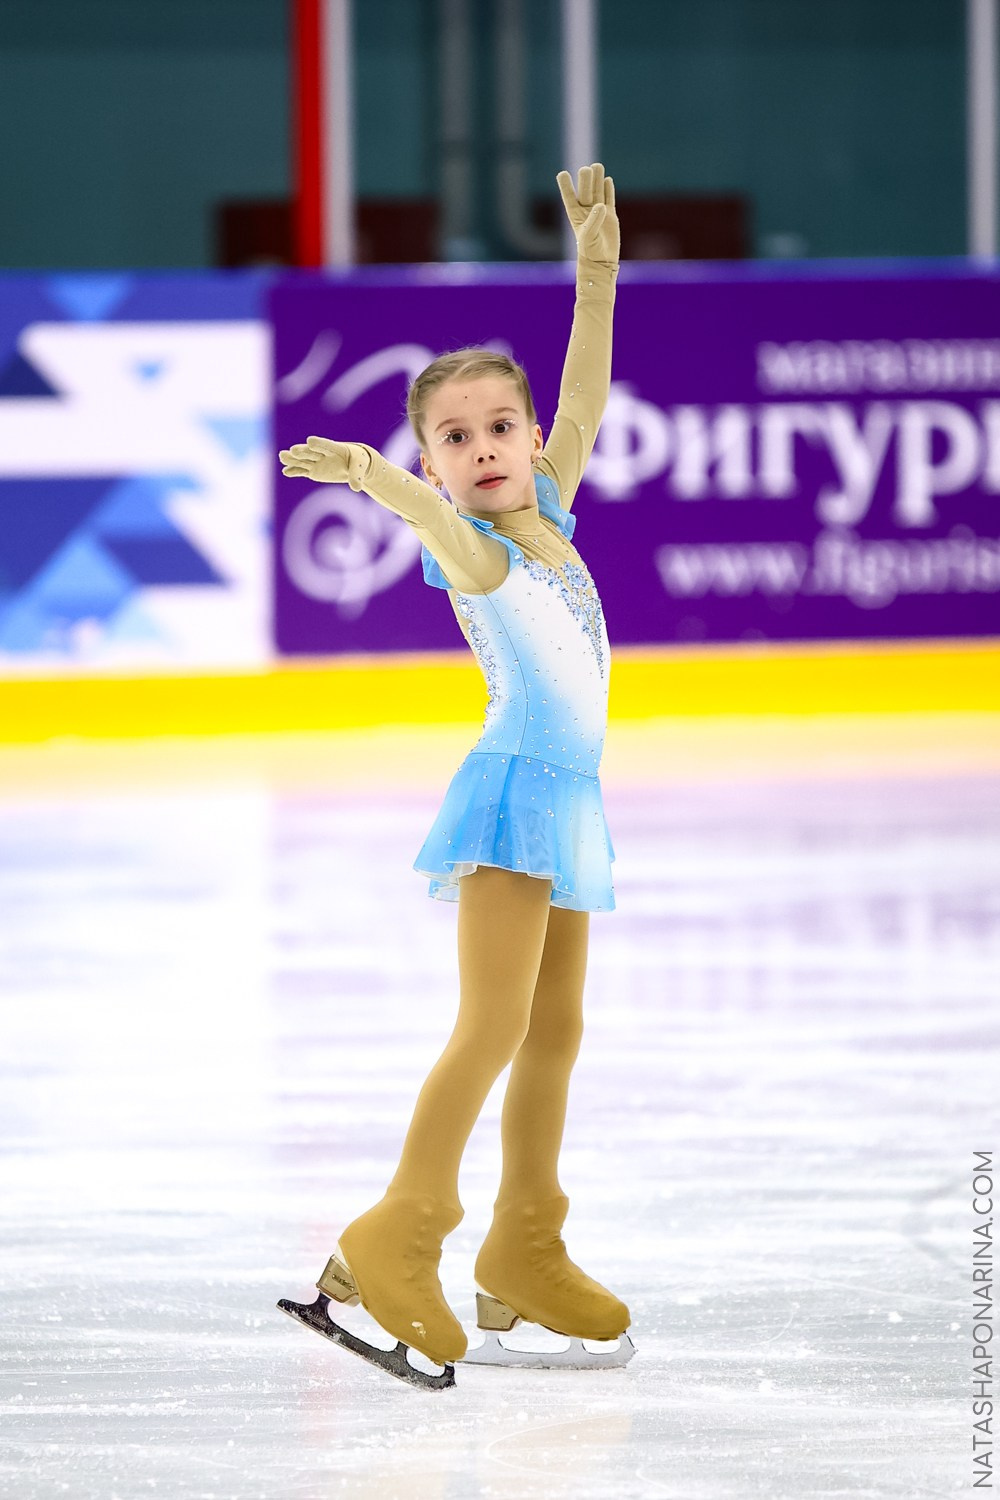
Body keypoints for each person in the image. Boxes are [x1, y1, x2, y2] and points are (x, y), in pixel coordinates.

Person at [278, 164, 630, 1389]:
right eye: (451, 436)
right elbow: (429, 518)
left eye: (497, 429)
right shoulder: (475, 548)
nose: (480, 451)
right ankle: (397, 1231)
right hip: (513, 796)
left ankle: (524, 1243)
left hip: (571, 802)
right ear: (430, 452)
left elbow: (583, 378)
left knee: (555, 1032)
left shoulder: (553, 508)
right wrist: (378, 480)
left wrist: (596, 263)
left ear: (530, 441)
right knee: (491, 1025)